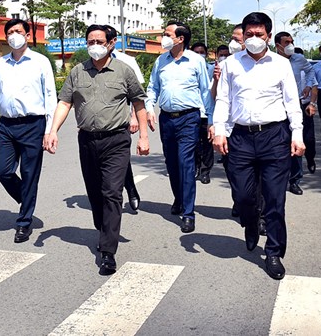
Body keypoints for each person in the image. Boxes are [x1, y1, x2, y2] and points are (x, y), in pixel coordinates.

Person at [44, 24, 149, 276]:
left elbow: (138, 103)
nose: (94, 46)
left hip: (117, 140)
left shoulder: (124, 71)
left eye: (99, 41)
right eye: (90, 41)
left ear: (111, 43)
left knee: (112, 192)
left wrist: (143, 136)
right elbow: (64, 103)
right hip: (88, 141)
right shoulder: (78, 72)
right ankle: (104, 230)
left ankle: (108, 251)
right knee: (95, 194)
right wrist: (52, 130)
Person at [213, 12, 305, 280]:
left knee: (275, 199)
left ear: (268, 35)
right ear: (244, 35)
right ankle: (250, 223)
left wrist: (296, 135)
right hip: (240, 137)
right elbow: (223, 100)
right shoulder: (231, 64)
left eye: (259, 35)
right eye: (249, 35)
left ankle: (274, 251)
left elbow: (291, 102)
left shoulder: (280, 64)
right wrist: (220, 130)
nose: (254, 39)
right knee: (243, 196)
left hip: (274, 136)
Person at [0, 18, 57, 243]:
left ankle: (24, 222)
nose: (14, 35)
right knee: (3, 171)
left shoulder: (40, 61)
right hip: (5, 125)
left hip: (33, 125)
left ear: (27, 35)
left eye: (19, 31)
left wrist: (50, 129)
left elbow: (50, 96)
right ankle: (26, 200)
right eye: (10, 32)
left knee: (29, 174)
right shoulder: (1, 64)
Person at [146, 22, 212, 234]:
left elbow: (205, 91)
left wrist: (209, 120)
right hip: (167, 119)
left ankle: (188, 213)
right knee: (172, 163)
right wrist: (149, 108)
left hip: (189, 118)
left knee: (186, 163)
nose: (162, 38)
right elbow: (152, 87)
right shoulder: (160, 61)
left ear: (180, 38)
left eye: (166, 34)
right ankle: (179, 198)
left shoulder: (196, 61)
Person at [106, 25, 146, 211]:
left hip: (122, 118)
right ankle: (128, 187)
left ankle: (129, 189)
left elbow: (136, 96)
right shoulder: (90, 62)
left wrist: (134, 117)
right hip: (101, 123)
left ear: (114, 41)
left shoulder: (127, 61)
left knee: (121, 157)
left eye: (106, 40)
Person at [274, 32, 317, 195]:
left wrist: (309, 85)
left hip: (296, 103)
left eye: (292, 41)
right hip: (277, 106)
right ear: (278, 45)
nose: (290, 45)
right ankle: (278, 179)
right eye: (287, 42)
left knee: (297, 140)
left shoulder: (299, 59)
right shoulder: (271, 60)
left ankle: (295, 180)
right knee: (279, 144)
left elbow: (311, 72)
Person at [191, 41, 216, 184]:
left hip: (208, 111)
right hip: (193, 112)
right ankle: (196, 167)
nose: (199, 55)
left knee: (207, 144)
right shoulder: (187, 69)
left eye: (202, 52)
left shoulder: (212, 69)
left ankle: (206, 171)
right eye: (196, 52)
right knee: (193, 143)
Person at [294, 47, 318, 174]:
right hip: (291, 106)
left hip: (305, 106)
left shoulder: (308, 72)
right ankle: (295, 174)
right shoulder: (287, 69)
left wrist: (312, 104)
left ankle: (310, 159)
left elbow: (314, 88)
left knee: (308, 137)